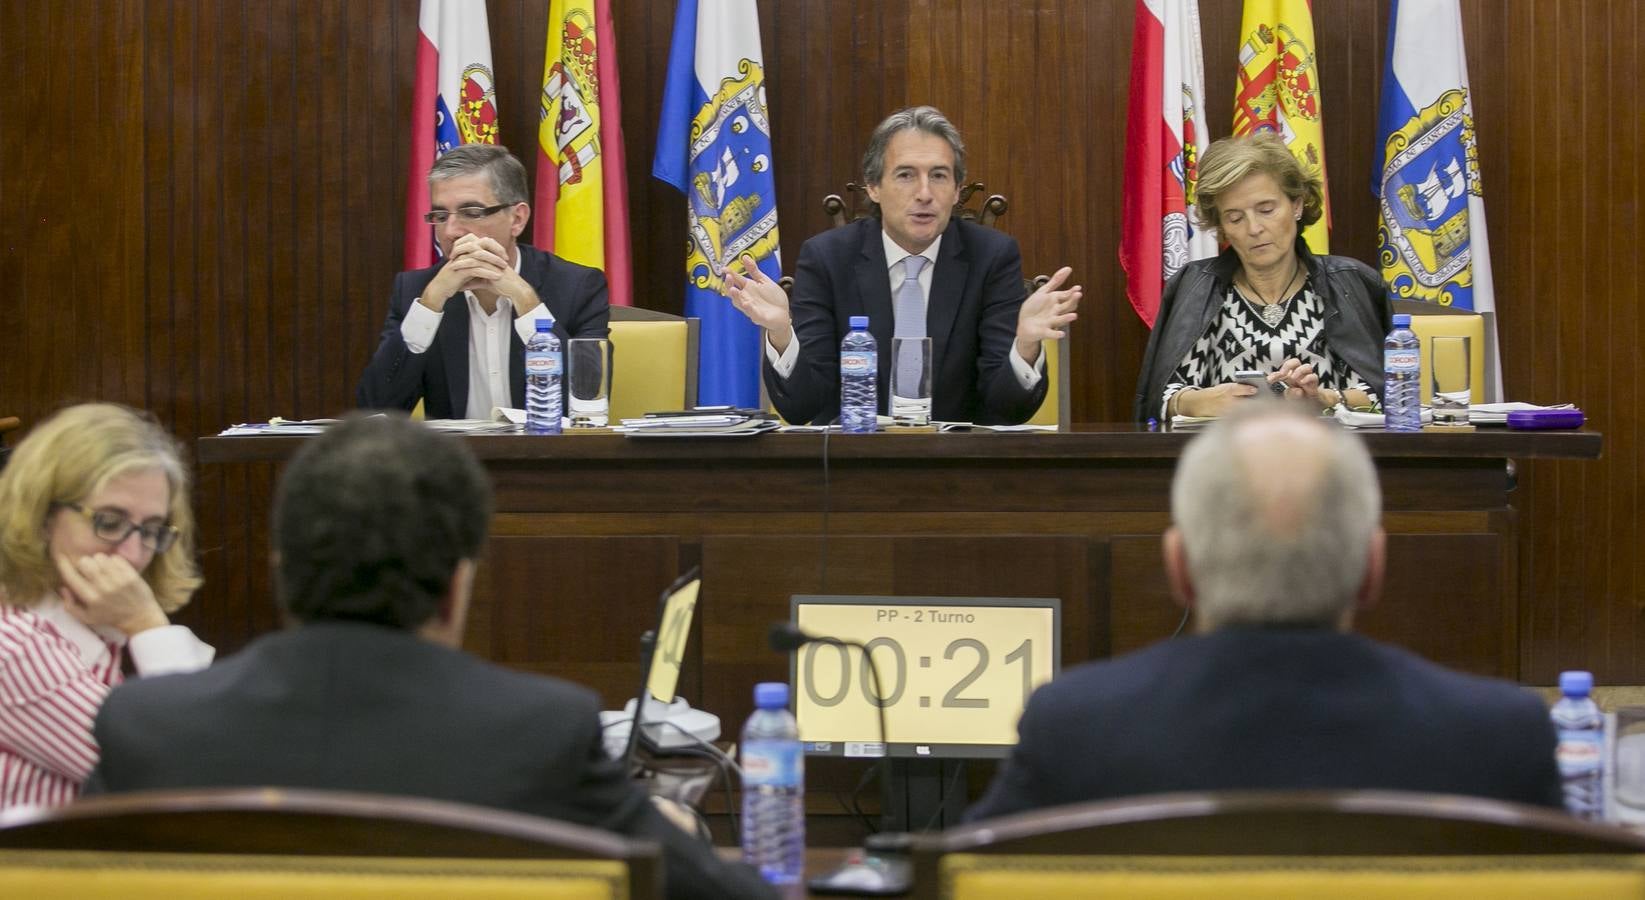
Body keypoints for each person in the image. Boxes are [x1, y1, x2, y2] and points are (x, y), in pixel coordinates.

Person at [84, 415, 772, 900]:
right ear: (455, 587)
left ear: (281, 571)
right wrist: (677, 834)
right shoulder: (538, 733)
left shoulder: (148, 727)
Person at [967, 405, 1563, 819]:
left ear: (1180, 569)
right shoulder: (1501, 735)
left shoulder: (1073, 730)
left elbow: (958, 879)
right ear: (1372, 568)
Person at [723, 106, 1082, 425]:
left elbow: (1008, 409)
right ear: (874, 187)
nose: (924, 193)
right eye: (906, 175)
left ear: (957, 190)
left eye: (939, 176)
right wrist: (782, 334)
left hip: (961, 475)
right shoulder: (828, 258)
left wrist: (1025, 346)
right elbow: (803, 408)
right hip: (853, 474)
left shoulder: (991, 257)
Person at [0, 403, 213, 809]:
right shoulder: (14, 645)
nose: (133, 555)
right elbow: (192, 774)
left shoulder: (83, 620)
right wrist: (147, 625)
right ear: (41, 516)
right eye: (109, 522)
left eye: (150, 530)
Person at [1134, 132, 1392, 422]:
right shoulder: (1195, 286)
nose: (1254, 228)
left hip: (1328, 456)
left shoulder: (1351, 282)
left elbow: (1389, 395)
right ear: (1221, 226)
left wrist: (1324, 399)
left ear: (1297, 204)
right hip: (1223, 457)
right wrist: (1200, 402)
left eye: (1266, 210)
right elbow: (1158, 400)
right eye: (1235, 217)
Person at [357, 144, 610, 419]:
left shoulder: (577, 286)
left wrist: (525, 300)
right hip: (455, 460)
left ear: (517, 219)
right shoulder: (417, 292)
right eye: (441, 216)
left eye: (472, 212)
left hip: (545, 458)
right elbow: (375, 409)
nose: (451, 231)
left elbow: (587, 400)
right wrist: (430, 305)